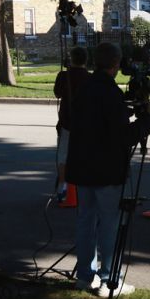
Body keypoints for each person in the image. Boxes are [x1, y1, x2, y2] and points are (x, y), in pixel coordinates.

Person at [65, 42, 150, 297]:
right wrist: (148, 117)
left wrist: (124, 111)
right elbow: (122, 137)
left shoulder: (84, 87)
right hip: (106, 171)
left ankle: (84, 277)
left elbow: (95, 122)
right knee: (109, 225)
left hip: (83, 169)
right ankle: (109, 280)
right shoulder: (110, 92)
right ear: (116, 64)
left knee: (86, 222)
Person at [53, 46, 91, 202]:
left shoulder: (64, 76)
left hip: (67, 122)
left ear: (71, 59)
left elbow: (57, 93)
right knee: (84, 155)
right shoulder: (90, 78)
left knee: (63, 156)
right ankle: (83, 186)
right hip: (85, 123)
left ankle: (63, 186)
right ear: (86, 60)